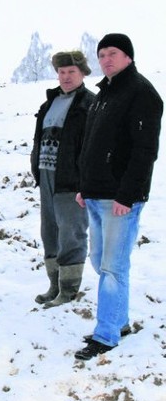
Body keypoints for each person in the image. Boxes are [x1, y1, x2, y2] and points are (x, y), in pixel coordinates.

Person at [75, 33, 163, 360]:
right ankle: (120, 320)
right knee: (101, 263)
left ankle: (107, 335)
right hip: (96, 195)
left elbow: (144, 152)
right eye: (101, 55)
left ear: (128, 56)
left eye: (113, 53)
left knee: (112, 268)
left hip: (120, 200)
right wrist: (84, 186)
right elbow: (92, 146)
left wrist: (127, 195)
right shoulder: (104, 95)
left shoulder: (141, 93)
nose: (106, 59)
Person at [31, 51, 94, 308]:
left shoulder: (89, 104)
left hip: (71, 179)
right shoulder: (50, 103)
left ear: (82, 74)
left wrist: (86, 180)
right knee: (50, 232)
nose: (66, 77)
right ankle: (54, 285)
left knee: (71, 233)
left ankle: (68, 290)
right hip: (47, 176)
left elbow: (93, 147)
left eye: (72, 72)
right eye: (62, 72)